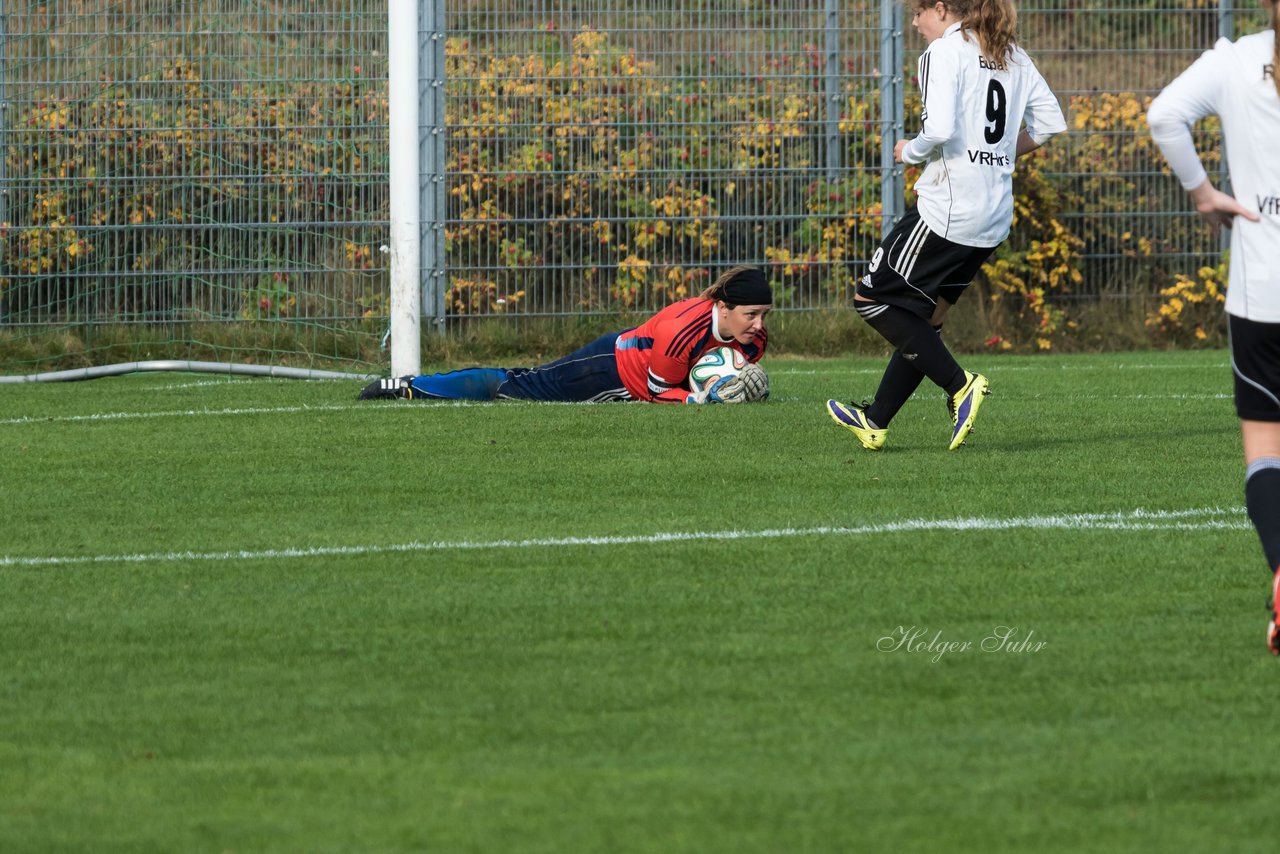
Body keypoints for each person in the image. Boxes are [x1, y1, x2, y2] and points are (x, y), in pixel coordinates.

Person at [826, 0, 1066, 450]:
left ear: (940, 8)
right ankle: (875, 420)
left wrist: (907, 153)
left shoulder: (945, 51)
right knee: (926, 318)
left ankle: (960, 385)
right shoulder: (1011, 52)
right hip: (994, 216)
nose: (915, 24)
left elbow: (936, 130)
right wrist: (996, 156)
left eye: (918, 12)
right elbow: (1051, 124)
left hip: (947, 211)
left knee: (871, 299)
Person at [1147, 1, 1280, 654]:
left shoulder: (1234, 60)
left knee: (1265, 451)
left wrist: (1203, 194)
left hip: (1262, 298)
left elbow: (1163, 116)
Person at [358, 266, 771, 404]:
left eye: (764, 315)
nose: (758, 325)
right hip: (609, 371)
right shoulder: (685, 330)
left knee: (519, 381)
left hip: (631, 369)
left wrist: (742, 388)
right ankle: (410, 387)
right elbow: (660, 392)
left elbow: (720, 376)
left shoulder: (754, 337)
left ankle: (417, 385)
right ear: (722, 308)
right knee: (513, 387)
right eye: (751, 314)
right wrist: (706, 398)